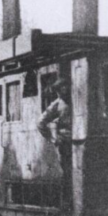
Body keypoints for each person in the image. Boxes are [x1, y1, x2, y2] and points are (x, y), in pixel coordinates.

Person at [38, 77, 73, 208]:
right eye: (60, 89)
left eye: (65, 88)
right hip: (65, 143)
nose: (63, 91)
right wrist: (53, 139)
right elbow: (40, 123)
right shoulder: (56, 105)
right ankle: (67, 203)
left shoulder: (75, 102)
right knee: (66, 173)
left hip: (74, 142)